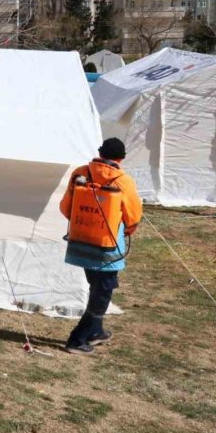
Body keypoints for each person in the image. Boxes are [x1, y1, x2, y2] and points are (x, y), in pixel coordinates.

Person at [59, 137, 142, 354]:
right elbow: (133, 217)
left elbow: (66, 208)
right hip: (108, 247)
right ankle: (77, 339)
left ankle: (96, 332)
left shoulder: (80, 173)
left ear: (100, 152)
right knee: (103, 292)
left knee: (96, 286)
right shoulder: (123, 181)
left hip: (81, 240)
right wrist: (128, 228)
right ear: (121, 158)